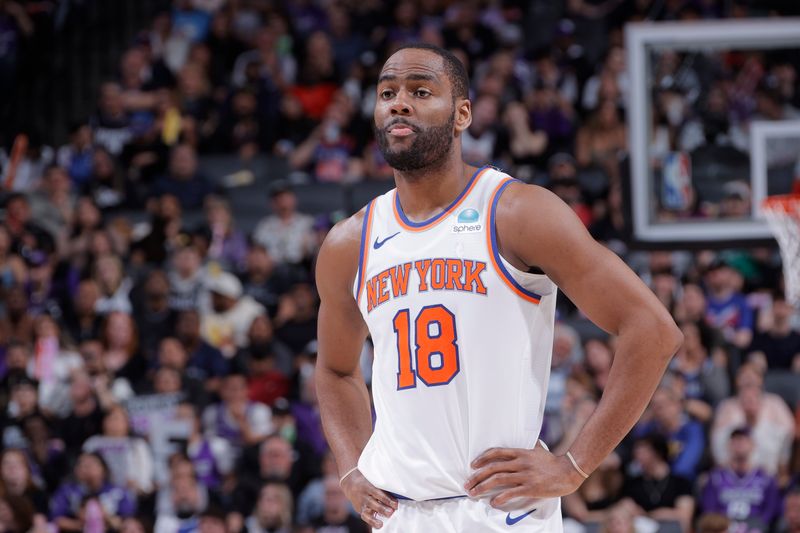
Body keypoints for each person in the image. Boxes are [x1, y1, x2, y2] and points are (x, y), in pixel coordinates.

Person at [314, 43, 682, 532]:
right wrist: (350, 468)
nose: (399, 102)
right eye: (387, 93)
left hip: (502, 510)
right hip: (400, 514)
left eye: (421, 91)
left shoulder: (516, 213)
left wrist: (574, 465)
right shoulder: (349, 243)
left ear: (463, 113)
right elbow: (336, 370)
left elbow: (652, 329)